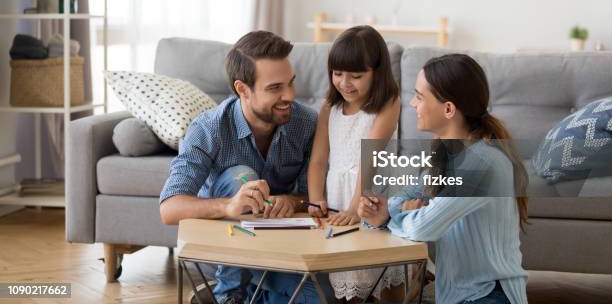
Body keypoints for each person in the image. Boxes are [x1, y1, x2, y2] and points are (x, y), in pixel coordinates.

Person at [159, 31, 325, 304]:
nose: (289, 96)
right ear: (242, 90)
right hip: (225, 251)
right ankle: (229, 296)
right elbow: (169, 208)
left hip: (279, 249)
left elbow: (313, 198)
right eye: (275, 88)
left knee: (318, 298)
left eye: (291, 83)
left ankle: (251, 294)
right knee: (241, 178)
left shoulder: (305, 123)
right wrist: (228, 206)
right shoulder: (209, 128)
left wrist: (291, 201)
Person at [358, 53, 529, 304]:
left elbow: (421, 227)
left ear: (448, 109)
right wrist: (386, 212)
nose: (413, 105)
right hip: (460, 296)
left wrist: (389, 216)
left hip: (489, 296)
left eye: (419, 97)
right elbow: (401, 196)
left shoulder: (482, 165)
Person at [307, 25, 405, 302]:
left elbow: (370, 155)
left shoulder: (388, 102)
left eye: (356, 76)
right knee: (350, 276)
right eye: (338, 74)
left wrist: (355, 206)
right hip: (339, 194)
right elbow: (318, 159)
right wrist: (316, 200)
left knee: (386, 273)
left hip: (371, 191)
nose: (345, 82)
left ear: (377, 72)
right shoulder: (330, 107)